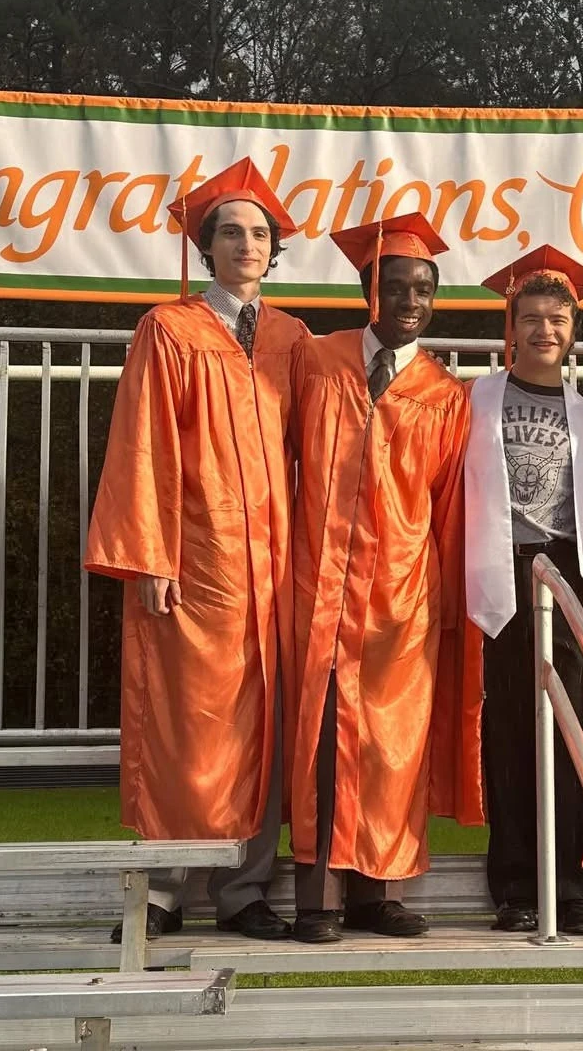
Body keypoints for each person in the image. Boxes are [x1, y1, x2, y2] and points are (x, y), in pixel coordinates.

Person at [85, 157, 309, 942]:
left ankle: (246, 889)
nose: (247, 244)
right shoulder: (169, 329)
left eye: (260, 234)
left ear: (272, 251)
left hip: (274, 567)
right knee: (186, 723)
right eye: (231, 232)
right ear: (205, 246)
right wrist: (150, 553)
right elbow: (140, 443)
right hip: (195, 561)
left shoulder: (292, 338)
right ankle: (164, 888)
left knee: (264, 726)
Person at [288, 212, 469, 944]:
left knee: (392, 745)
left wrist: (446, 603)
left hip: (401, 591)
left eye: (424, 289)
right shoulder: (316, 359)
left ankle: (380, 892)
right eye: (396, 286)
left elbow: (450, 506)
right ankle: (318, 899)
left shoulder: (444, 392)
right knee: (323, 740)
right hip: (320, 582)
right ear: (369, 290)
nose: (410, 301)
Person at [439, 247, 583, 936]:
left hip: (566, 571)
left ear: (573, 332)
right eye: (531, 318)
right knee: (507, 728)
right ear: (511, 328)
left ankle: (572, 883)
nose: (544, 330)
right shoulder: (472, 399)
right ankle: (514, 885)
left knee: (571, 729)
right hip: (497, 566)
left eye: (557, 320)